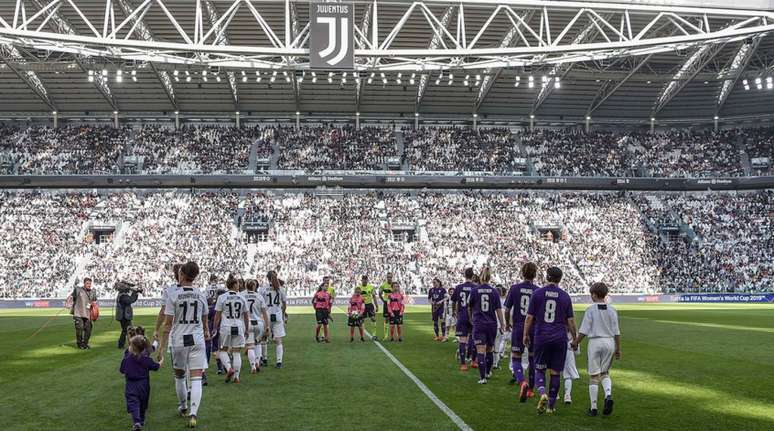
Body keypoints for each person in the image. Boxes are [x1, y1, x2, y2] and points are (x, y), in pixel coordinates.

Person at [157, 261, 209, 428]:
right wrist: (207, 331)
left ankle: (184, 407)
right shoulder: (201, 294)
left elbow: (168, 324)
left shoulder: (174, 295)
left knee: (179, 376)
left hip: (179, 340)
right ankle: (194, 413)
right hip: (197, 339)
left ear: (182, 275)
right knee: (196, 378)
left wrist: (162, 347)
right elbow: (205, 319)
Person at [524, 266, 577, 415]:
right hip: (559, 337)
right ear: (560, 279)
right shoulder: (565, 296)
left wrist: (525, 334)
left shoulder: (538, 293)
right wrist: (574, 338)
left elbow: (529, 318)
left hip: (541, 336)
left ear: (547, 277)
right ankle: (551, 407)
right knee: (555, 373)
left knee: (539, 369)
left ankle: (542, 393)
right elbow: (571, 321)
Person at [571, 282, 621, 417]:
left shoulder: (591, 310)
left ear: (594, 294)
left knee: (594, 376)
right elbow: (617, 332)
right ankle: (608, 395)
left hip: (595, 342)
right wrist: (618, 349)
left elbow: (584, 330)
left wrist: (576, 342)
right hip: (609, 342)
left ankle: (593, 408)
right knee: (605, 372)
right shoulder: (612, 310)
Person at [504, 262, 539, 402]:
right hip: (534, 328)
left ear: (522, 273)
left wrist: (507, 324)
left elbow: (506, 310)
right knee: (532, 358)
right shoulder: (538, 290)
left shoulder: (514, 288)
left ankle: (522, 382)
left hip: (519, 326)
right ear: (535, 274)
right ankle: (530, 390)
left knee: (516, 356)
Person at [467, 267, 506, 384]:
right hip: (491, 324)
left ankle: (482, 377)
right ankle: (488, 373)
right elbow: (499, 309)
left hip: (479, 323)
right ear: (490, 277)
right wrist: (502, 323)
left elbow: (469, 306)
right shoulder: (494, 291)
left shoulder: (474, 290)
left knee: (480, 350)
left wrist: (471, 318)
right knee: (489, 349)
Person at [213, 274, 250, 384]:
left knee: (223, 350)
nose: (239, 285)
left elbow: (217, 315)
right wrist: (247, 329)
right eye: (238, 283)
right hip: (238, 326)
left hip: (226, 326)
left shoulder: (222, 297)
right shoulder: (242, 297)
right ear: (234, 285)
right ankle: (236, 377)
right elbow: (246, 316)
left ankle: (229, 368)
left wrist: (215, 327)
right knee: (237, 352)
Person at [120, 332, 160, 431]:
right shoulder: (146, 357)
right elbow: (155, 366)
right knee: (142, 404)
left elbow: (121, 370)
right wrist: (161, 361)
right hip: (144, 386)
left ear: (132, 347)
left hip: (131, 385)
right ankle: (140, 421)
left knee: (133, 403)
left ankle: (137, 421)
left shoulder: (127, 357)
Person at [152, 263, 182, 360]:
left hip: (176, 332)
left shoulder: (169, 291)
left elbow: (164, 314)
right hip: (194, 333)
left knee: (179, 369)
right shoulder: (197, 292)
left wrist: (156, 329)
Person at [451, 268, 477, 371]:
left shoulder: (458, 287)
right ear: (473, 276)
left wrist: (454, 312)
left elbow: (453, 301)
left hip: (462, 315)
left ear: (464, 275)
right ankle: (473, 361)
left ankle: (463, 364)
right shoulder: (476, 287)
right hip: (473, 316)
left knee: (462, 340)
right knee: (474, 339)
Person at [242, 279, 269, 374]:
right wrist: (267, 326)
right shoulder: (259, 296)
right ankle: (258, 361)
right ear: (254, 286)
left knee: (250, 346)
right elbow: (265, 313)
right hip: (259, 323)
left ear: (246, 286)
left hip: (247, 323)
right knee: (258, 343)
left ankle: (253, 366)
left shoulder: (241, 295)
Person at [264, 270, 288, 368]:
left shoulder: (263, 289)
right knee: (278, 340)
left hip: (267, 315)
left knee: (264, 338)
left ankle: (264, 359)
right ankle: (279, 362)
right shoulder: (281, 289)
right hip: (277, 315)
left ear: (267, 278)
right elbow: (284, 304)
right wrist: (282, 314)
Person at [205, 274, 227, 376]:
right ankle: (225, 365)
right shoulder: (220, 287)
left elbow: (207, 299)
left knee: (214, 347)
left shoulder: (208, 288)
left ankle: (221, 366)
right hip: (225, 323)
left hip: (212, 311)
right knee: (224, 347)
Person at [69, 277, 97, 350]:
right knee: (80, 329)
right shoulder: (78, 289)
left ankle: (85, 344)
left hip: (87, 314)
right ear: (84, 283)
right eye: (87, 283)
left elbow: (94, 301)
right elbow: (73, 296)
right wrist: (70, 302)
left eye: (90, 284)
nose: (89, 285)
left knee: (88, 329)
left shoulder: (93, 292)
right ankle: (79, 344)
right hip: (78, 313)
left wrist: (94, 309)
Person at [116, 283, 140, 349]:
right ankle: (131, 344)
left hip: (123, 315)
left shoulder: (122, 295)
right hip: (124, 316)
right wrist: (135, 292)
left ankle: (121, 344)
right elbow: (130, 300)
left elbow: (131, 300)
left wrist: (135, 293)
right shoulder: (123, 296)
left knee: (125, 330)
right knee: (128, 330)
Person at [357, 275, 378, 339]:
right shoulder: (359, 288)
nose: (364, 281)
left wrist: (376, 306)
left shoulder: (371, 287)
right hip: (362, 305)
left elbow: (374, 296)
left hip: (369, 305)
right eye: (363, 279)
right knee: (362, 320)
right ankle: (362, 336)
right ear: (362, 280)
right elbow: (356, 297)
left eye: (366, 280)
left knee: (373, 319)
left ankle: (374, 335)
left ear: (367, 280)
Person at [493, 284, 509, 369]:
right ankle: (495, 363)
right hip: (498, 326)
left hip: (492, 326)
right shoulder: (501, 303)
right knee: (497, 345)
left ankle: (493, 362)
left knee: (492, 346)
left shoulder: (492, 301)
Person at [562, 330, 580, 405]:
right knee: (568, 374)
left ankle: (554, 393)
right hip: (568, 350)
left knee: (554, 371)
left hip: (555, 346)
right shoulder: (571, 325)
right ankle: (567, 395)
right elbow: (577, 351)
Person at [378, 273, 394, 340]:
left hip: (393, 303)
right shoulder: (383, 285)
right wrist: (383, 300)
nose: (389, 278)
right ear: (386, 277)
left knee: (393, 319)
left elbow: (398, 292)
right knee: (386, 319)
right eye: (388, 277)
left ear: (392, 277)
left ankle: (392, 336)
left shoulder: (394, 285)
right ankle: (386, 335)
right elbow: (380, 293)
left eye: (390, 277)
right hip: (386, 303)